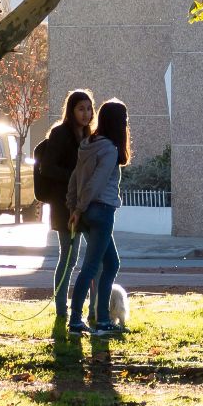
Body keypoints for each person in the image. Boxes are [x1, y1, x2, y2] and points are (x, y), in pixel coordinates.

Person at [33, 89, 94, 335]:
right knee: (68, 258)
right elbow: (47, 168)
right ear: (71, 110)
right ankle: (61, 309)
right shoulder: (60, 133)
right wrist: (75, 179)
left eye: (89, 109)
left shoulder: (88, 135)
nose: (86, 114)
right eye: (81, 108)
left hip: (83, 204)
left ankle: (91, 310)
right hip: (63, 204)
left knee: (85, 258)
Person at [66, 98, 128, 337]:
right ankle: (80, 320)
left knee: (111, 264)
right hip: (101, 211)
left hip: (89, 212)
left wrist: (75, 207)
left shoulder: (88, 143)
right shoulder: (110, 150)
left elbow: (75, 179)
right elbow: (96, 183)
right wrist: (78, 208)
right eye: (125, 120)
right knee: (91, 268)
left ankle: (101, 317)